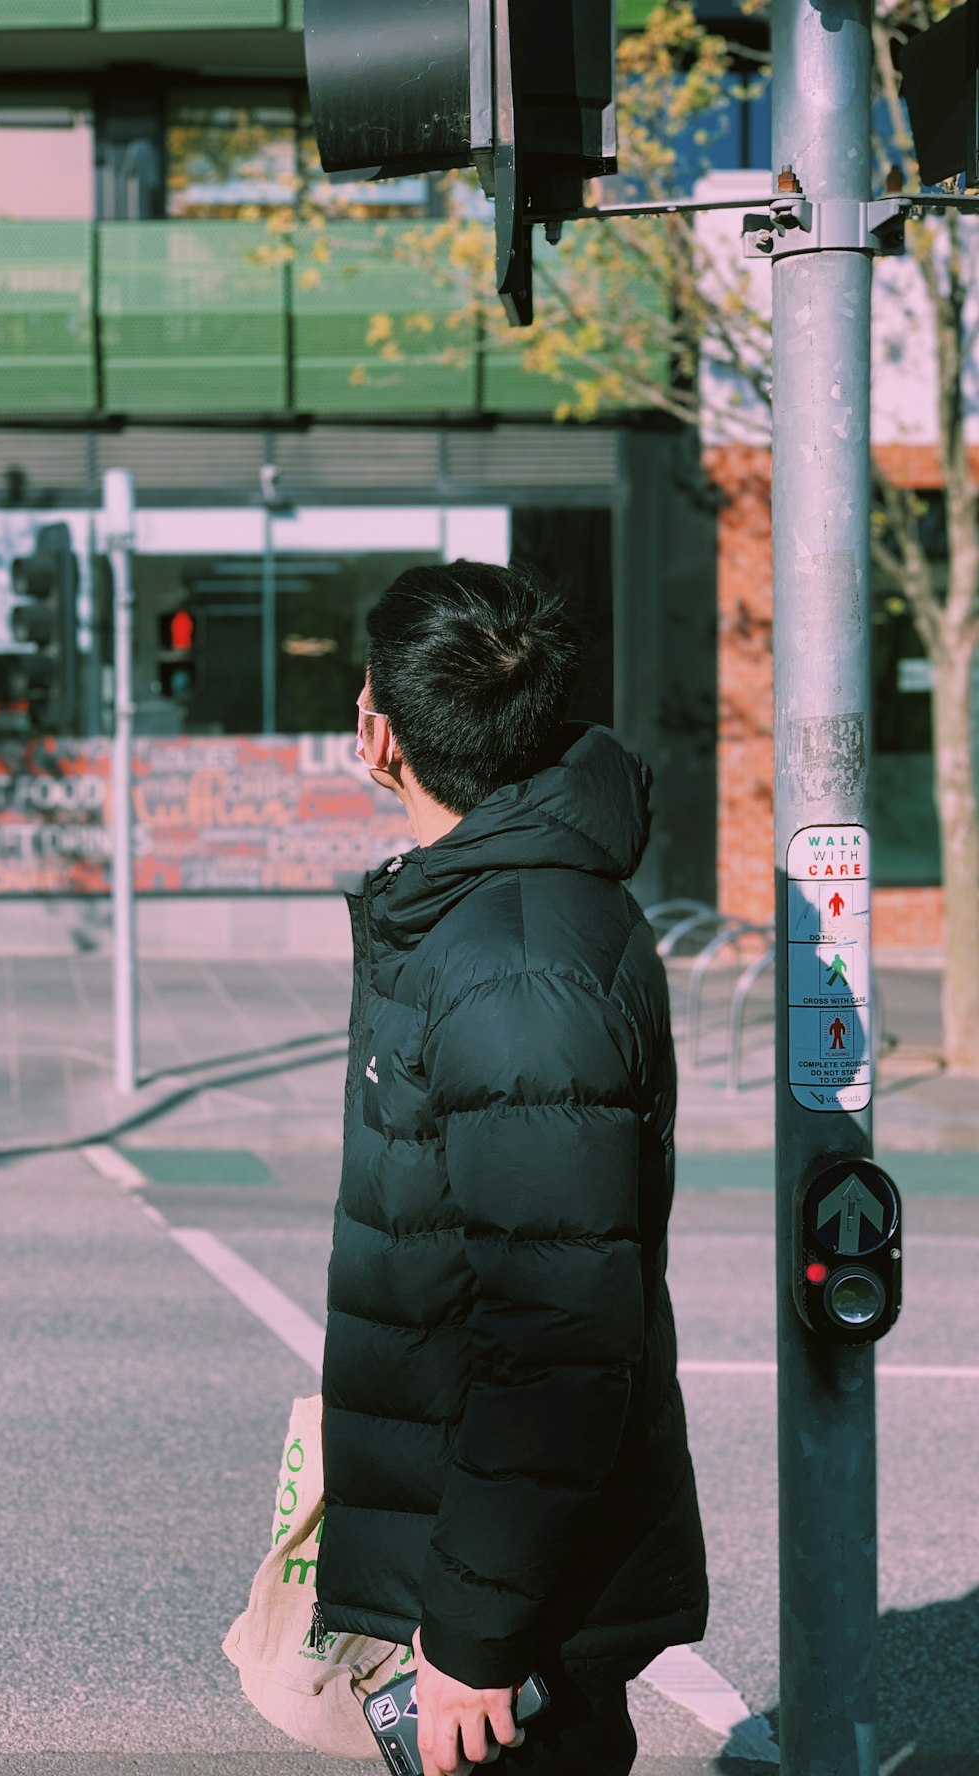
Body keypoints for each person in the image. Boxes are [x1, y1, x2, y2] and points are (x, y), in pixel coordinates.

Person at [315, 561, 708, 1776]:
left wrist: (474, 1639)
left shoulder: (514, 964)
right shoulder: (483, 910)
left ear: (378, 727)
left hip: (513, 1600)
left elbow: (556, 1332)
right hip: (484, 1548)